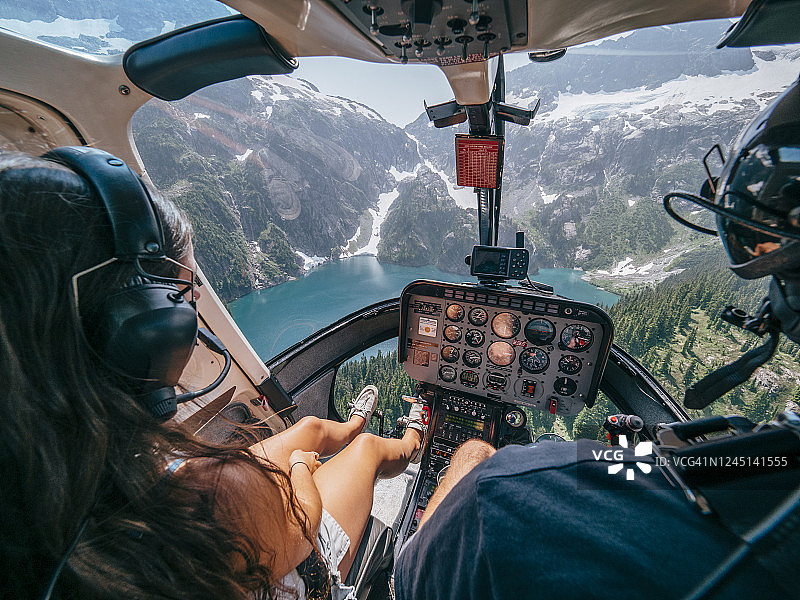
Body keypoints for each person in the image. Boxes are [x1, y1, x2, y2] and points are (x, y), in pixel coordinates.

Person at [394, 79, 800, 600]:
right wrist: (631, 460)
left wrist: (498, 456)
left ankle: (446, 445)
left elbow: (505, 495)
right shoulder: (759, 463)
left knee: (472, 452)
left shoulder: (503, 495)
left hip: (433, 558)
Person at [0, 150, 426, 600]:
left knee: (311, 427)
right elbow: (305, 519)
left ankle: (355, 420)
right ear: (141, 331)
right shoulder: (215, 498)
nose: (195, 304)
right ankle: (412, 436)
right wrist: (300, 468)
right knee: (365, 451)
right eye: (183, 293)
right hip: (300, 554)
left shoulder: (44, 484)